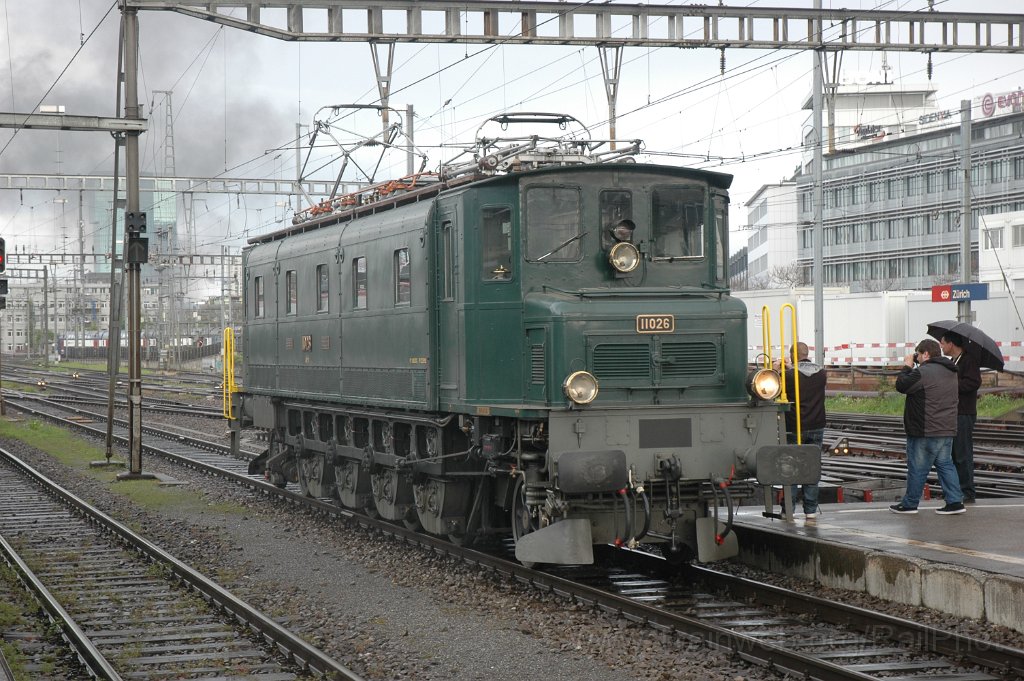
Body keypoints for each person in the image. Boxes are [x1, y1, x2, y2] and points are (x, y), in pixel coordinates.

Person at [890, 338, 966, 515]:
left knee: (917, 467)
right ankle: (955, 501)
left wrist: (907, 366)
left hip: (925, 429)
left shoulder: (923, 372)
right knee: (946, 464)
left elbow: (901, 385)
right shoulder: (951, 371)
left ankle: (909, 504)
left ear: (925, 354)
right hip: (946, 428)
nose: (916, 358)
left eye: (918, 354)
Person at [776, 342, 827, 518]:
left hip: (794, 427)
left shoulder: (787, 376)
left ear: (792, 355)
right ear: (807, 353)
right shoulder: (822, 373)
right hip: (817, 426)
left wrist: (777, 371)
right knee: (811, 467)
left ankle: (788, 509)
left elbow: (775, 390)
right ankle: (811, 510)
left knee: (790, 467)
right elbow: (804, 374)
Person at [939, 331, 981, 503]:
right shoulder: (953, 361)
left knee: (962, 453)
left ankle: (967, 491)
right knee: (954, 454)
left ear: (951, 343)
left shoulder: (968, 360)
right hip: (954, 412)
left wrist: (951, 385)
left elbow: (973, 382)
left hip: (963, 413)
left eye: (942, 343)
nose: (941, 346)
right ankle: (956, 490)